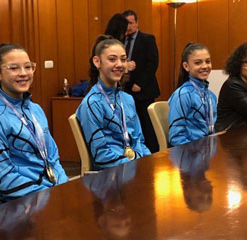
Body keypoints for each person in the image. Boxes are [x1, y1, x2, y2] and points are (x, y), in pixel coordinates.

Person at [0, 43, 68, 203]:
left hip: (49, 194)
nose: (23, 73)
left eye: (28, 67)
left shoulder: (35, 109)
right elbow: (5, 178)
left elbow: (53, 158)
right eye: (14, 68)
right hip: (20, 204)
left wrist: (63, 189)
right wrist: (49, 197)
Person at [76, 35, 151, 170]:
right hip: (111, 176)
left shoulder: (127, 99)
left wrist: (149, 163)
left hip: (133, 166)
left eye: (123, 59)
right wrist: (135, 166)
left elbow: (139, 140)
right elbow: (101, 155)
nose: (119, 64)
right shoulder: (92, 104)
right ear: (97, 62)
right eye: (112, 59)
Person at [122, 10, 161, 153]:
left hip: (144, 90)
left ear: (137, 23)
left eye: (131, 23)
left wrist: (140, 83)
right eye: (126, 24)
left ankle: (152, 153)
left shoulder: (147, 39)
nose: (128, 27)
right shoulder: (120, 41)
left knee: (147, 124)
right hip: (125, 90)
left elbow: (153, 63)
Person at [168, 43, 218, 147]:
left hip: (208, 153)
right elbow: (175, 137)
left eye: (208, 61)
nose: (204, 66)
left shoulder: (211, 96)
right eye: (198, 63)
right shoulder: (183, 95)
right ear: (186, 66)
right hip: (189, 156)